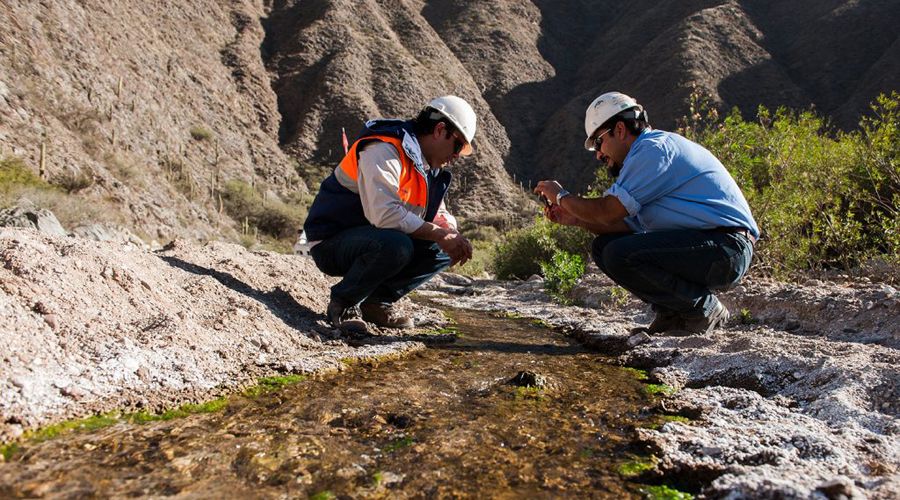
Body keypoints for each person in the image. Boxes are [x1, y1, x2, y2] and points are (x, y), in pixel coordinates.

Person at [534, 91, 759, 335]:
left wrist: (561, 195)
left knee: (619, 253)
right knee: (604, 247)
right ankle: (673, 314)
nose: (599, 154)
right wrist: (576, 219)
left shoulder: (653, 152)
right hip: (713, 247)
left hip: (727, 250)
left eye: (598, 142)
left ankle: (703, 309)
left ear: (619, 130)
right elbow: (625, 225)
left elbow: (608, 212)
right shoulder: (643, 160)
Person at [303, 96, 475, 334]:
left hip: (375, 238)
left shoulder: (428, 167)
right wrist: (438, 233)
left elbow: (438, 213)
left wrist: (450, 234)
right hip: (333, 241)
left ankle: (376, 304)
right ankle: (343, 305)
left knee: (442, 248)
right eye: (457, 146)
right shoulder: (384, 148)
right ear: (439, 130)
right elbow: (383, 214)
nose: (456, 156)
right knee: (398, 245)